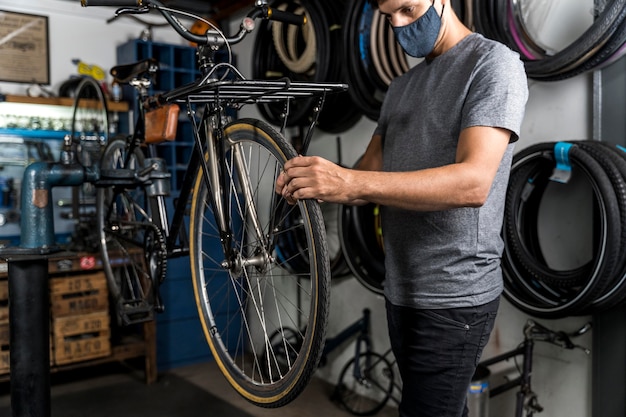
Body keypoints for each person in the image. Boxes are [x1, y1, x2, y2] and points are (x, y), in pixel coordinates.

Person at [276, 0, 528, 416]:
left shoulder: (492, 64)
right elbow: (365, 175)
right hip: (401, 288)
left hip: (455, 295)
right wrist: (316, 181)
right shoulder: (401, 87)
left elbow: (473, 183)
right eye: (387, 15)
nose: (397, 24)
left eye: (407, 9)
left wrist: (349, 181)